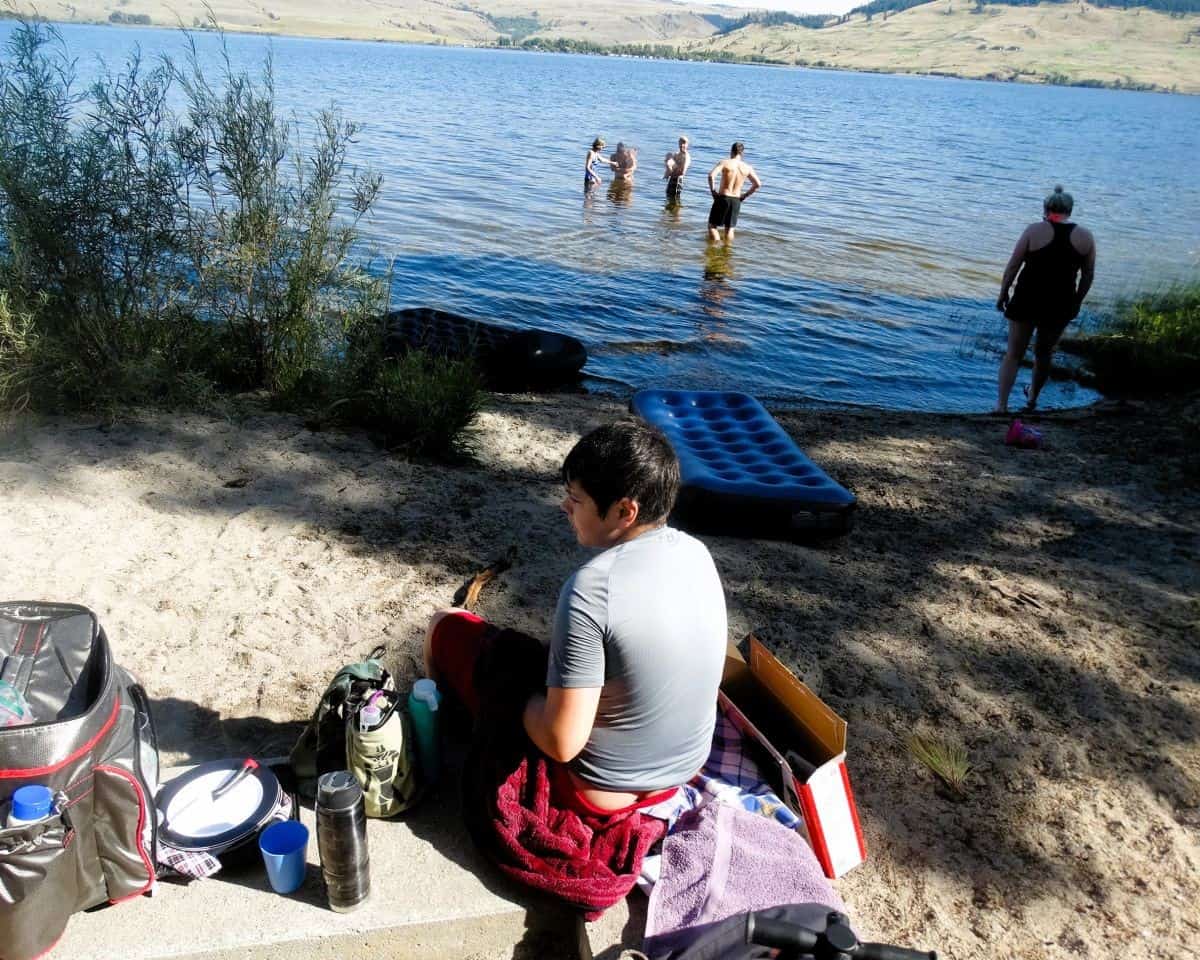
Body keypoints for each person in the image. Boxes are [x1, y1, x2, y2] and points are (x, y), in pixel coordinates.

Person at [424, 419, 728, 815]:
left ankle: (441, 734)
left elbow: (562, 742)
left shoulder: (592, 588)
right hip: (679, 774)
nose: (564, 506)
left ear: (624, 511)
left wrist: (510, 696)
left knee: (446, 626)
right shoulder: (696, 553)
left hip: (596, 794)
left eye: (575, 499)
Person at [995, 185, 1096, 413]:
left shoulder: (1033, 231)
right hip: (1060, 303)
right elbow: (1088, 275)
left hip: (1027, 298)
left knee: (1013, 354)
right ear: (1070, 210)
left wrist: (1003, 293)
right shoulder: (1085, 236)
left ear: (1045, 208)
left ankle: (1001, 405)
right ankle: (1031, 401)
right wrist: (1077, 301)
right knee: (1044, 353)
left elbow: (1013, 265)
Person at [707, 142, 761, 244]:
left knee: (712, 226)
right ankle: (727, 251)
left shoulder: (725, 162)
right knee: (730, 228)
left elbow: (711, 176)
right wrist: (745, 195)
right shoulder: (747, 167)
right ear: (742, 153)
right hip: (736, 200)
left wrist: (713, 191)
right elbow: (757, 184)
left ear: (731, 152)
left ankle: (715, 247)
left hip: (723, 197)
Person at [663, 135, 691, 200]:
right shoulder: (676, 154)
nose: (682, 145)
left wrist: (670, 174)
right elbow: (671, 164)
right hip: (672, 179)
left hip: (678, 181)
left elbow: (683, 172)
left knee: (674, 201)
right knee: (668, 199)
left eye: (684, 143)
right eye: (680, 142)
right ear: (678, 143)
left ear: (687, 145)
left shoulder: (686, 157)